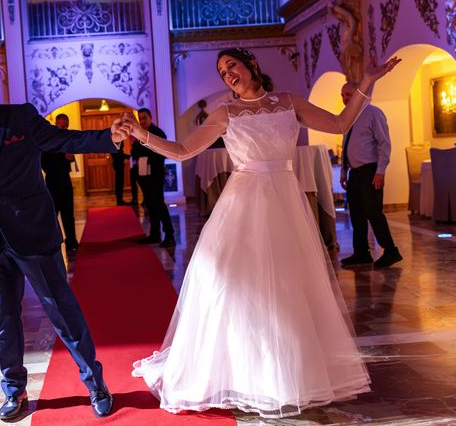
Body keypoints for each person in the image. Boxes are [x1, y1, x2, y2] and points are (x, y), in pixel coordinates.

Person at [126, 47, 400, 418]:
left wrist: (367, 82)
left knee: (287, 288)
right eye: (223, 73)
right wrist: (142, 135)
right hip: (242, 206)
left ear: (252, 64)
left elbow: (339, 124)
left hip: (285, 202)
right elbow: (180, 151)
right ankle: (244, 372)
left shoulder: (288, 102)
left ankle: (285, 374)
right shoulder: (226, 113)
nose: (229, 75)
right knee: (242, 290)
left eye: (232, 66)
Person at [0, 56, 131, 420]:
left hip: (34, 234)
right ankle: (14, 391)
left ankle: (95, 384)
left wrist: (108, 137)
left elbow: (62, 139)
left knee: (62, 311)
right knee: (3, 319)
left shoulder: (20, 118)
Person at [339, 81, 403, 269]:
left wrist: (380, 171)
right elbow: (345, 145)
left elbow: (384, 144)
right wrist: (344, 171)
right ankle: (361, 253)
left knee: (374, 213)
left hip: (370, 171)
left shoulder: (373, 113)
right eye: (342, 95)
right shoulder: (348, 117)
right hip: (355, 173)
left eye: (348, 94)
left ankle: (391, 251)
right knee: (357, 215)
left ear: (360, 93)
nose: (344, 99)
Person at [131, 108, 175, 247]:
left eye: (145, 118)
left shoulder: (158, 133)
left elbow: (161, 152)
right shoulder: (140, 134)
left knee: (159, 204)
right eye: (141, 118)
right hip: (144, 175)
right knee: (150, 205)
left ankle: (169, 234)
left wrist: (147, 159)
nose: (142, 121)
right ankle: (155, 234)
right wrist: (139, 158)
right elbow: (135, 151)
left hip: (155, 174)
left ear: (150, 118)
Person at [41, 113, 79, 251]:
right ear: (56, 123)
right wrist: (63, 158)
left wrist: (70, 158)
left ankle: (72, 242)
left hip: (65, 179)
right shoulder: (48, 140)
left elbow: (70, 158)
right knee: (52, 214)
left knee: (68, 213)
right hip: (52, 181)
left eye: (66, 125)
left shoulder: (67, 139)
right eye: (61, 125)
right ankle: (53, 242)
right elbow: (44, 162)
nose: (64, 127)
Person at [111, 140, 128, 205]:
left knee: (119, 183)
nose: (123, 145)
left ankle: (120, 199)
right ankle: (119, 200)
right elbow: (120, 155)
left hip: (118, 165)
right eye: (122, 143)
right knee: (119, 183)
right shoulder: (116, 147)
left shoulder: (115, 147)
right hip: (119, 165)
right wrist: (128, 156)